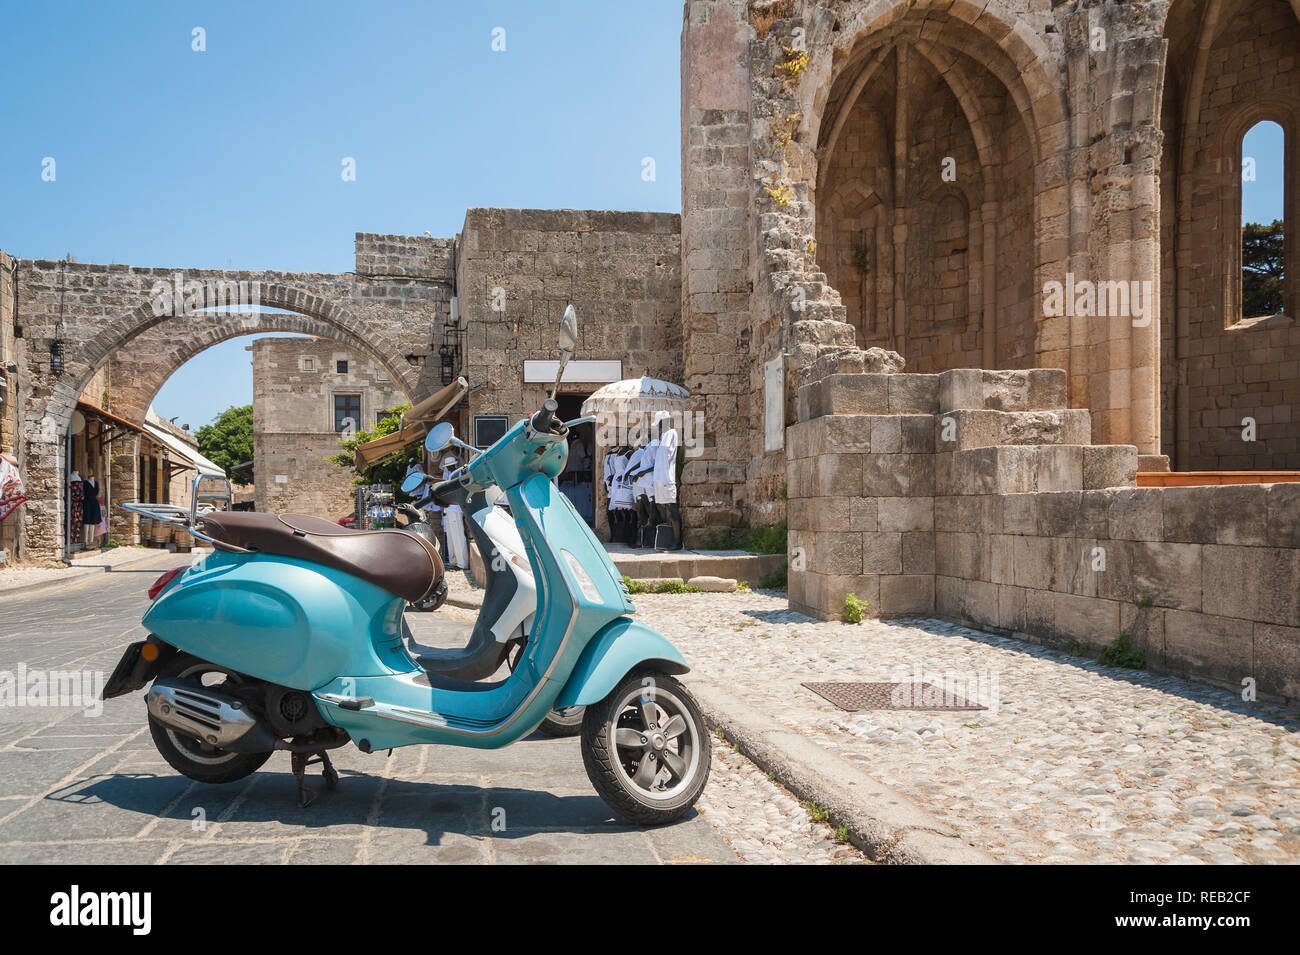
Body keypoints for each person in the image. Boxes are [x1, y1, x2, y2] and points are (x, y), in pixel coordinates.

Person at [651, 411, 683, 550]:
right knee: (665, 508)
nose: (657, 427)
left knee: (672, 507)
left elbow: (668, 454)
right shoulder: (663, 436)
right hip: (659, 477)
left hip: (667, 477)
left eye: (658, 424)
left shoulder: (672, 433)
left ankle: (677, 540)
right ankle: (670, 536)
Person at [440, 453, 469, 570]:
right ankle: (454, 560)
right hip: (450, 508)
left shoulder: (454, 476)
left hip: (454, 508)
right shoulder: (451, 476)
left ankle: (462, 563)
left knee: (457, 536)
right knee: (452, 537)